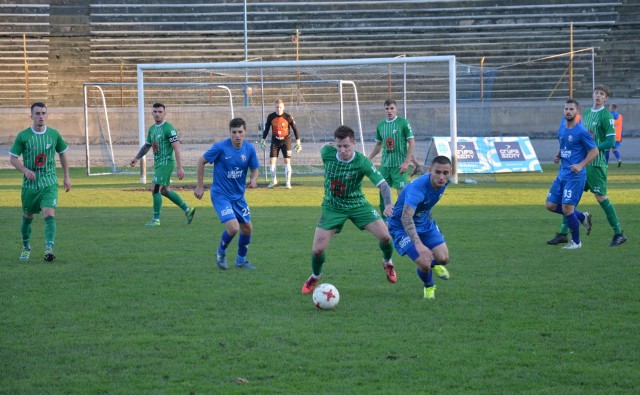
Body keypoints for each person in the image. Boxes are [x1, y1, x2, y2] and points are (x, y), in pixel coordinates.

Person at [301, 125, 396, 294]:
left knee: (386, 237)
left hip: (357, 204)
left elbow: (384, 186)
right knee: (317, 250)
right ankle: (315, 275)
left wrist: (388, 204)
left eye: (346, 146)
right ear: (335, 145)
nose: (343, 150)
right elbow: (326, 147)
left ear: (354, 144)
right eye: (339, 146)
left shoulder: (362, 162)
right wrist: (332, 145)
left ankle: (388, 262)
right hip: (333, 207)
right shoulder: (327, 154)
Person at [547, 85, 627, 247]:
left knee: (601, 197)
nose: (598, 96)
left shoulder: (607, 116)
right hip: (579, 164)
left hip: (595, 164)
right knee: (568, 199)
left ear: (606, 98)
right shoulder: (586, 114)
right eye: (596, 93)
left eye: (602, 94)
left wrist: (591, 148)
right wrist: (561, 153)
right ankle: (564, 233)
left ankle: (619, 233)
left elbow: (611, 142)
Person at [194, 118, 260, 270]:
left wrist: (254, 179)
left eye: (240, 132)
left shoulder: (249, 149)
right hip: (221, 195)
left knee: (247, 228)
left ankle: (241, 260)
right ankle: (220, 252)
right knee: (233, 227)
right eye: (234, 132)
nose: (237, 135)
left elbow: (255, 168)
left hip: (238, 196)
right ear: (229, 133)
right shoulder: (220, 148)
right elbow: (200, 161)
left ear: (245, 132)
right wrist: (200, 186)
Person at [9, 102, 71, 262]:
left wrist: (66, 176)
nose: (41, 116)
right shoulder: (23, 136)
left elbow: (63, 154)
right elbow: (13, 159)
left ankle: (49, 248)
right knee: (28, 216)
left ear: (47, 115)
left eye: (43, 113)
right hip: (30, 185)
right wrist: (26, 171)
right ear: (31, 116)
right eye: (37, 113)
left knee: (49, 213)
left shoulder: (54, 134)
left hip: (49, 182)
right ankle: (26, 247)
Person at [387, 155, 453, 300]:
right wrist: (419, 244)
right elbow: (406, 217)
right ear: (431, 171)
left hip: (425, 222)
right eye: (437, 172)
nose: (441, 177)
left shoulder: (442, 180)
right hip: (401, 227)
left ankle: (435, 264)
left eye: (445, 173)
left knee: (444, 259)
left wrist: (418, 167)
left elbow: (428, 170)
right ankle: (429, 285)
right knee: (424, 263)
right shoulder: (417, 190)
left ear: (450, 173)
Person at [130, 103, 195, 227]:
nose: (157, 114)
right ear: (152, 113)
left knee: (155, 188)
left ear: (164, 113)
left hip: (166, 163)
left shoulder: (169, 128)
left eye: (160, 112)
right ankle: (188, 210)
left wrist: (180, 168)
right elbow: (147, 146)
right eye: (155, 112)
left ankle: (156, 220)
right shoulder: (152, 129)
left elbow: (177, 148)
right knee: (165, 191)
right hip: (159, 164)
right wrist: (136, 158)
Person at [546, 99, 599, 250]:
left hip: (575, 176)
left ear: (577, 112)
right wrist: (558, 155)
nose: (568, 111)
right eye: (566, 109)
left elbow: (594, 151)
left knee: (567, 209)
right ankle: (582, 217)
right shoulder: (562, 125)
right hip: (562, 173)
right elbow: (563, 144)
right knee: (550, 205)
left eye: (571, 109)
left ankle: (576, 242)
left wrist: (581, 164)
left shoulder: (581, 132)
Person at [368, 99, 415, 218]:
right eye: (387, 108)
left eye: (392, 108)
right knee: (383, 192)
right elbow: (378, 145)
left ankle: (402, 219)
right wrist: (369, 158)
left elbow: (412, 143)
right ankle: (385, 220)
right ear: (384, 110)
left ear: (396, 109)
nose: (389, 111)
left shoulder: (403, 123)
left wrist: (406, 162)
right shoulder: (380, 125)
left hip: (399, 165)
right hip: (385, 166)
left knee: (402, 194)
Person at [260, 99, 301, 189]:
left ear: (283, 107)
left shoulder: (288, 117)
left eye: (280, 107)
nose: (279, 109)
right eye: (277, 107)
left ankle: (288, 183)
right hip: (275, 141)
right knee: (272, 161)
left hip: (286, 141)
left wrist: (298, 141)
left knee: (287, 161)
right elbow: (266, 129)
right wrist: (263, 139)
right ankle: (274, 180)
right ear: (275, 107)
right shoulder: (271, 117)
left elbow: (295, 129)